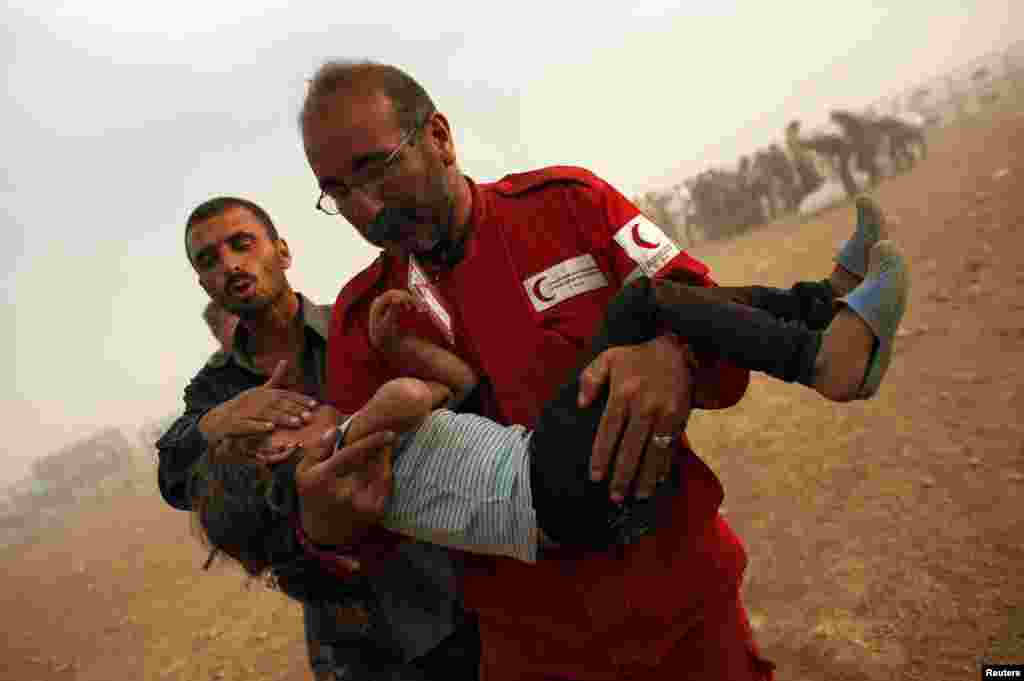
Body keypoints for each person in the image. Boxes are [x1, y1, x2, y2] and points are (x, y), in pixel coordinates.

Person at [289, 60, 908, 680]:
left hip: (688, 611)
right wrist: (325, 521)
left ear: (440, 137)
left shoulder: (569, 206)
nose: (364, 208)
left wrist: (675, 358)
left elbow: (720, 348)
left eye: (376, 168)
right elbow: (379, 521)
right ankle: (820, 313)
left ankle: (823, 308)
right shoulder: (361, 322)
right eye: (337, 190)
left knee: (667, 307)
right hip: (534, 651)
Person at [193, 222, 909, 570]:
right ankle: (820, 356)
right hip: (549, 491)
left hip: (556, 491)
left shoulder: (356, 443)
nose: (299, 407)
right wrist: (383, 386)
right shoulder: (346, 450)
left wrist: (404, 346)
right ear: (278, 459)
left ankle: (819, 306)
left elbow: (455, 388)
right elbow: (411, 397)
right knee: (640, 307)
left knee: (649, 306)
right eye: (277, 425)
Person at [155, 197, 480, 681]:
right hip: (349, 634)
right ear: (204, 285)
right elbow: (174, 480)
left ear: (282, 252)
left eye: (241, 244)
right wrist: (217, 423)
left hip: (449, 597)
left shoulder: (358, 327)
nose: (229, 265)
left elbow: (463, 397)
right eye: (209, 260)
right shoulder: (215, 389)